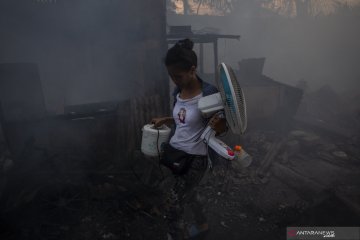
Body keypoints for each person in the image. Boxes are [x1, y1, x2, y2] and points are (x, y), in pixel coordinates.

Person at [151, 39, 227, 240]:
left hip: (195, 159)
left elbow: (221, 127)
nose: (174, 80)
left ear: (192, 70)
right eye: (171, 76)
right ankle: (202, 226)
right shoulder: (178, 91)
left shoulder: (209, 94)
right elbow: (184, 117)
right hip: (177, 153)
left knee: (173, 204)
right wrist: (167, 119)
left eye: (178, 76)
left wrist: (220, 126)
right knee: (190, 193)